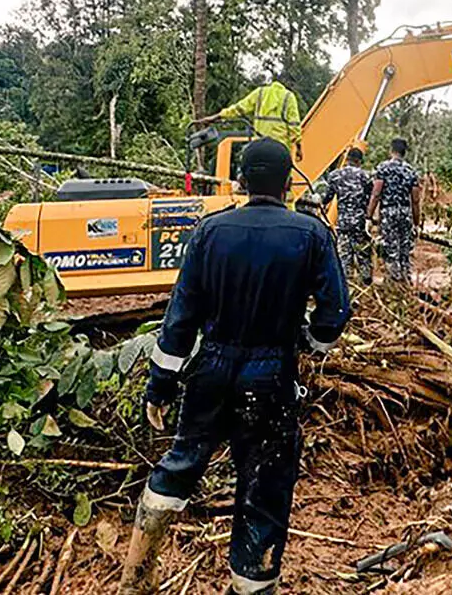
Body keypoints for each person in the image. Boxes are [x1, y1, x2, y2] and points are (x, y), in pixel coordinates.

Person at [118, 138, 350, 595]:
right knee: (264, 491)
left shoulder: (209, 231)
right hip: (272, 377)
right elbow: (335, 313)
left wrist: (160, 384)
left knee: (181, 462)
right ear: (287, 183)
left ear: (241, 181)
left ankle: (136, 576)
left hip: (212, 370)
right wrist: (311, 340)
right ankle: (250, 587)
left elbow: (180, 317)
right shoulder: (312, 233)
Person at [196, 75, 303, 161]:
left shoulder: (260, 93)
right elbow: (294, 125)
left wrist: (217, 116)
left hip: (259, 145)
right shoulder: (289, 97)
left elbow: (239, 108)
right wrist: (298, 147)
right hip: (280, 148)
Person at [367, 138, 420, 287]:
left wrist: (368, 216)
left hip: (389, 213)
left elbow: (376, 193)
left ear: (391, 150)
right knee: (404, 251)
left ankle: (393, 285)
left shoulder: (383, 168)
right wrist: (416, 223)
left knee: (390, 249)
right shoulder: (411, 171)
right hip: (405, 213)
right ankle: (405, 282)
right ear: (405, 152)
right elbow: (415, 200)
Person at [322, 147, 373, 286]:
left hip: (343, 222)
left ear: (347, 159)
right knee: (363, 255)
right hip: (360, 222)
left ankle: (347, 288)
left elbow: (326, 198)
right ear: (359, 161)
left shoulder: (335, 176)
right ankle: (366, 286)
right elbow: (370, 199)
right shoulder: (366, 176)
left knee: (344, 257)